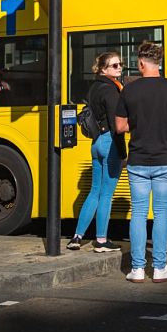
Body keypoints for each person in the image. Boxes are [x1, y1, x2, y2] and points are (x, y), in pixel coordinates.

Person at [115, 41, 167, 283]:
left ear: (140, 63)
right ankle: (159, 267)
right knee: (160, 213)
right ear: (159, 63)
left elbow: (119, 126)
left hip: (137, 160)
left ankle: (137, 269)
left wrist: (137, 125)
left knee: (138, 213)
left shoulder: (129, 91)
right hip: (165, 160)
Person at [68, 52, 127, 253]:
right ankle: (101, 240)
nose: (119, 68)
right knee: (107, 194)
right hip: (109, 142)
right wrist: (123, 153)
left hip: (96, 143)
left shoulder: (94, 88)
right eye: (114, 65)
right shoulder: (111, 91)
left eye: (120, 64)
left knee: (94, 191)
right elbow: (116, 125)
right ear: (103, 69)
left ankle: (77, 237)